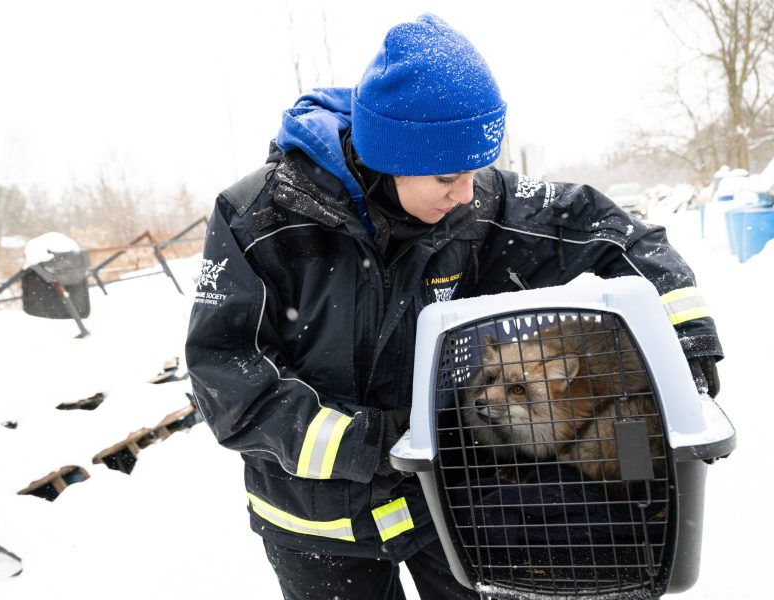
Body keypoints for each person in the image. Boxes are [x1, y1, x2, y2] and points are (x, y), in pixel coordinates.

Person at [185, 13, 721, 600]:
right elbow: (228, 382)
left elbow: (614, 233)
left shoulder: (473, 203)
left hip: (447, 506)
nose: (466, 193)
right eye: (446, 176)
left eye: (475, 171)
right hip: (315, 523)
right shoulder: (256, 220)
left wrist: (686, 333)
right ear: (391, 157)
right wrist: (368, 440)